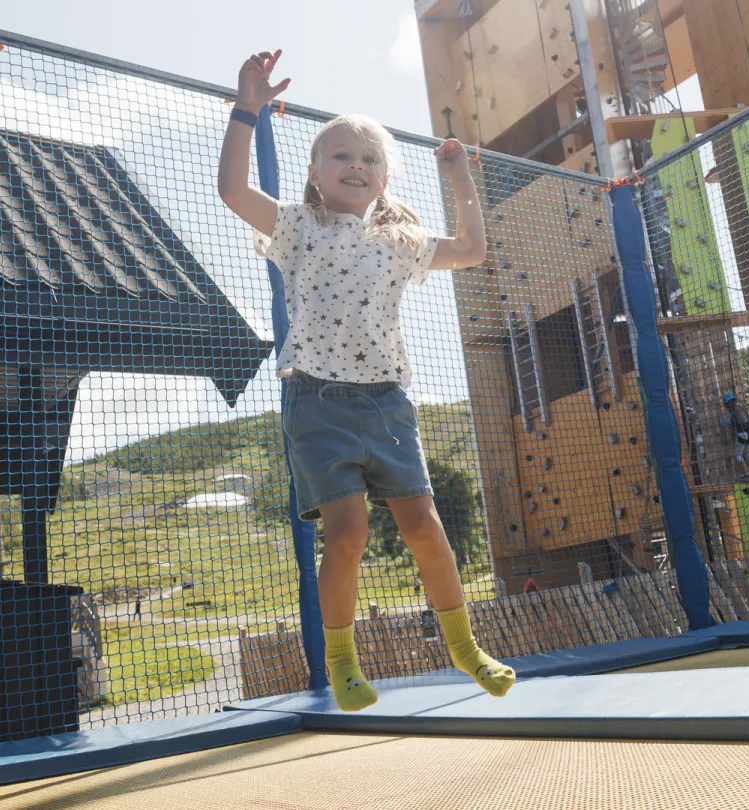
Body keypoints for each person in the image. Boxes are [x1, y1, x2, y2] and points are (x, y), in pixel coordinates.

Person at [218, 50, 513, 711]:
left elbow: (471, 250)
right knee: (347, 531)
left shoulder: (398, 240)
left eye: (369, 159)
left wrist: (460, 177)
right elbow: (234, 192)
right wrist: (247, 110)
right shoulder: (298, 228)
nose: (356, 166)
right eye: (341, 156)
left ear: (384, 178)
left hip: (385, 400)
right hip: (316, 400)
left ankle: (466, 649)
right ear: (316, 176)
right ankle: (343, 663)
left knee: (425, 527)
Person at [722, 392, 749, 481]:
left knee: (738, 455)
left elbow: (723, 423)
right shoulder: (743, 410)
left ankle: (747, 473)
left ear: (726, 405)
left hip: (741, 435)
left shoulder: (730, 413)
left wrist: (720, 419)